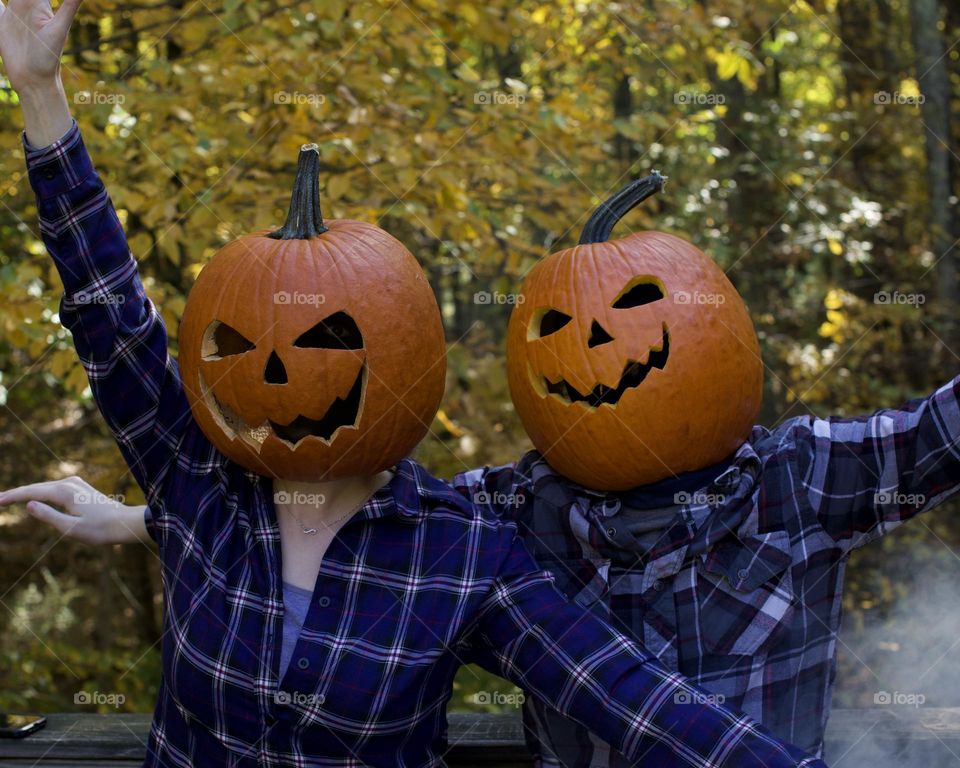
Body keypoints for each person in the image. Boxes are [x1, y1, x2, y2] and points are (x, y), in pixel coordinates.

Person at [0, 1, 829, 766]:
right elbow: (107, 307)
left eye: (328, 342)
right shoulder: (197, 487)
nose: (279, 375)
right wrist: (42, 92)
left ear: (405, 362)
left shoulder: (461, 552)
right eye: (241, 347)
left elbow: (634, 701)